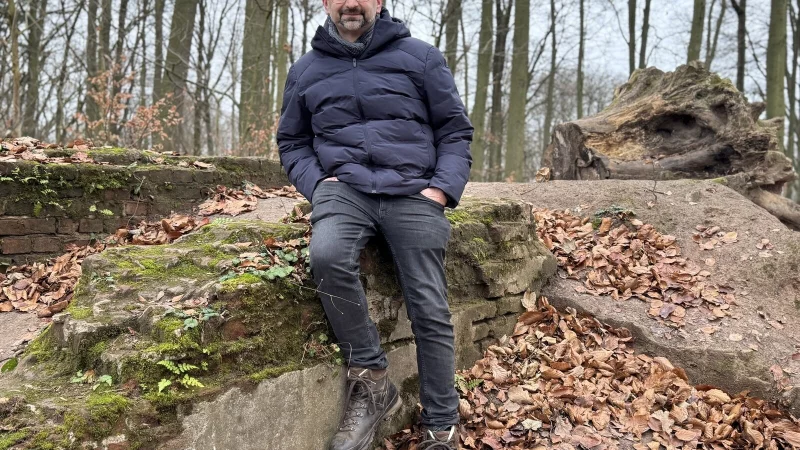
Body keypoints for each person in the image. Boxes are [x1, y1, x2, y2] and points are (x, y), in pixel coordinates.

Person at [276, 0, 472, 446]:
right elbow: (292, 140)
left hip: (413, 189)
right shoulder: (306, 69)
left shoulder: (421, 56)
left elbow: (455, 130)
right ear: (325, 3)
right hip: (345, 189)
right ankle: (372, 379)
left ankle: (441, 427)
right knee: (326, 255)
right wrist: (319, 185)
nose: (351, 3)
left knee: (429, 304)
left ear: (379, 2)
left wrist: (440, 188)